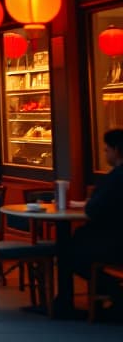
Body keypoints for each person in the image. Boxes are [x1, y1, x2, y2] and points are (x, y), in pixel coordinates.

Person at [67, 128, 123, 304]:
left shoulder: (116, 178)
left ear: (117, 150)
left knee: (70, 254)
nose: (105, 154)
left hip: (113, 243)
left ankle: (114, 292)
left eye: (107, 149)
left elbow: (94, 209)